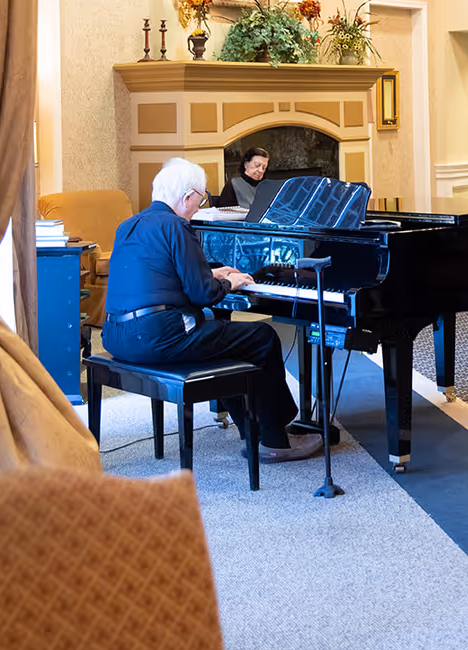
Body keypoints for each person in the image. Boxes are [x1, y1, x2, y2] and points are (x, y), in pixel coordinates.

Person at [103, 157, 319, 462]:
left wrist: (213, 273)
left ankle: (253, 429)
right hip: (158, 337)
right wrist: (230, 282)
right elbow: (202, 293)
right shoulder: (177, 226)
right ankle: (275, 438)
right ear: (187, 196)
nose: (199, 206)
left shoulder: (129, 226)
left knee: (223, 343)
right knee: (262, 337)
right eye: (201, 198)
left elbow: (158, 277)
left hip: (117, 336)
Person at [215, 146, 269, 211]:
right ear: (246, 164)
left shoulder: (267, 186)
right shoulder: (234, 184)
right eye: (257, 165)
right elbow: (223, 213)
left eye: (264, 167)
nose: (261, 170)